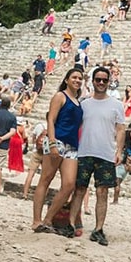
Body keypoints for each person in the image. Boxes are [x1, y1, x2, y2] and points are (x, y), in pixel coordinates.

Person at [68, 66, 126, 247]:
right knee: (79, 189)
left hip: (106, 154)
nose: (101, 83)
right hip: (85, 152)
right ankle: (71, 224)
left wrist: (119, 151)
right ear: (92, 81)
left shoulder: (116, 105)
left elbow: (121, 128)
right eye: (98, 79)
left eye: (104, 80)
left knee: (103, 192)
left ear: (109, 82)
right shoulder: (84, 103)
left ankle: (99, 229)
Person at [32, 66, 84, 236]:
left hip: (72, 145)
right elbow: (51, 120)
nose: (77, 80)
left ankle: (48, 218)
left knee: (69, 184)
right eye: (74, 77)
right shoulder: (60, 96)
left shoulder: (78, 101)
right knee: (45, 179)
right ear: (67, 80)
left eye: (80, 78)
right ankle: (36, 220)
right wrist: (52, 143)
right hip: (58, 141)